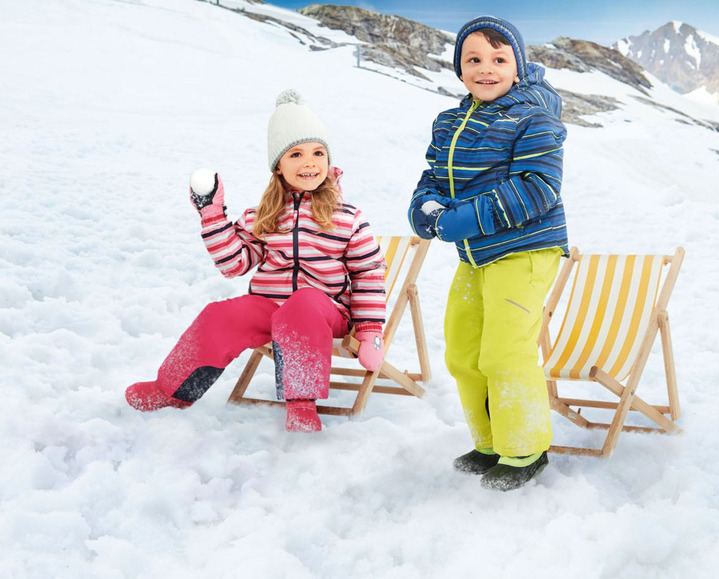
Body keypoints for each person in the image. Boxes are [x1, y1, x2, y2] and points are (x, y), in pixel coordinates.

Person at [126, 89, 387, 432]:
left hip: (324, 312)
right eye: (296, 154)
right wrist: (212, 215)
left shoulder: (347, 217)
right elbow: (234, 263)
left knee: (304, 303)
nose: (310, 162)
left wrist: (369, 332)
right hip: (269, 306)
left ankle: (302, 403)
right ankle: (172, 390)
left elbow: (368, 274)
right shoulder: (263, 215)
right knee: (220, 315)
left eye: (318, 152)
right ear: (278, 166)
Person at [408, 16, 569, 491]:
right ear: (459, 70)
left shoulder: (535, 116)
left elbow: (538, 187)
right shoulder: (450, 122)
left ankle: (524, 449)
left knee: (505, 352)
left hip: (525, 250)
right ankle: (490, 442)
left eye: (499, 59)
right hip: (476, 256)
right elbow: (433, 177)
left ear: (517, 67)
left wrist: (459, 219)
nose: (486, 68)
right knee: (462, 353)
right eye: (473, 59)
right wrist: (424, 207)